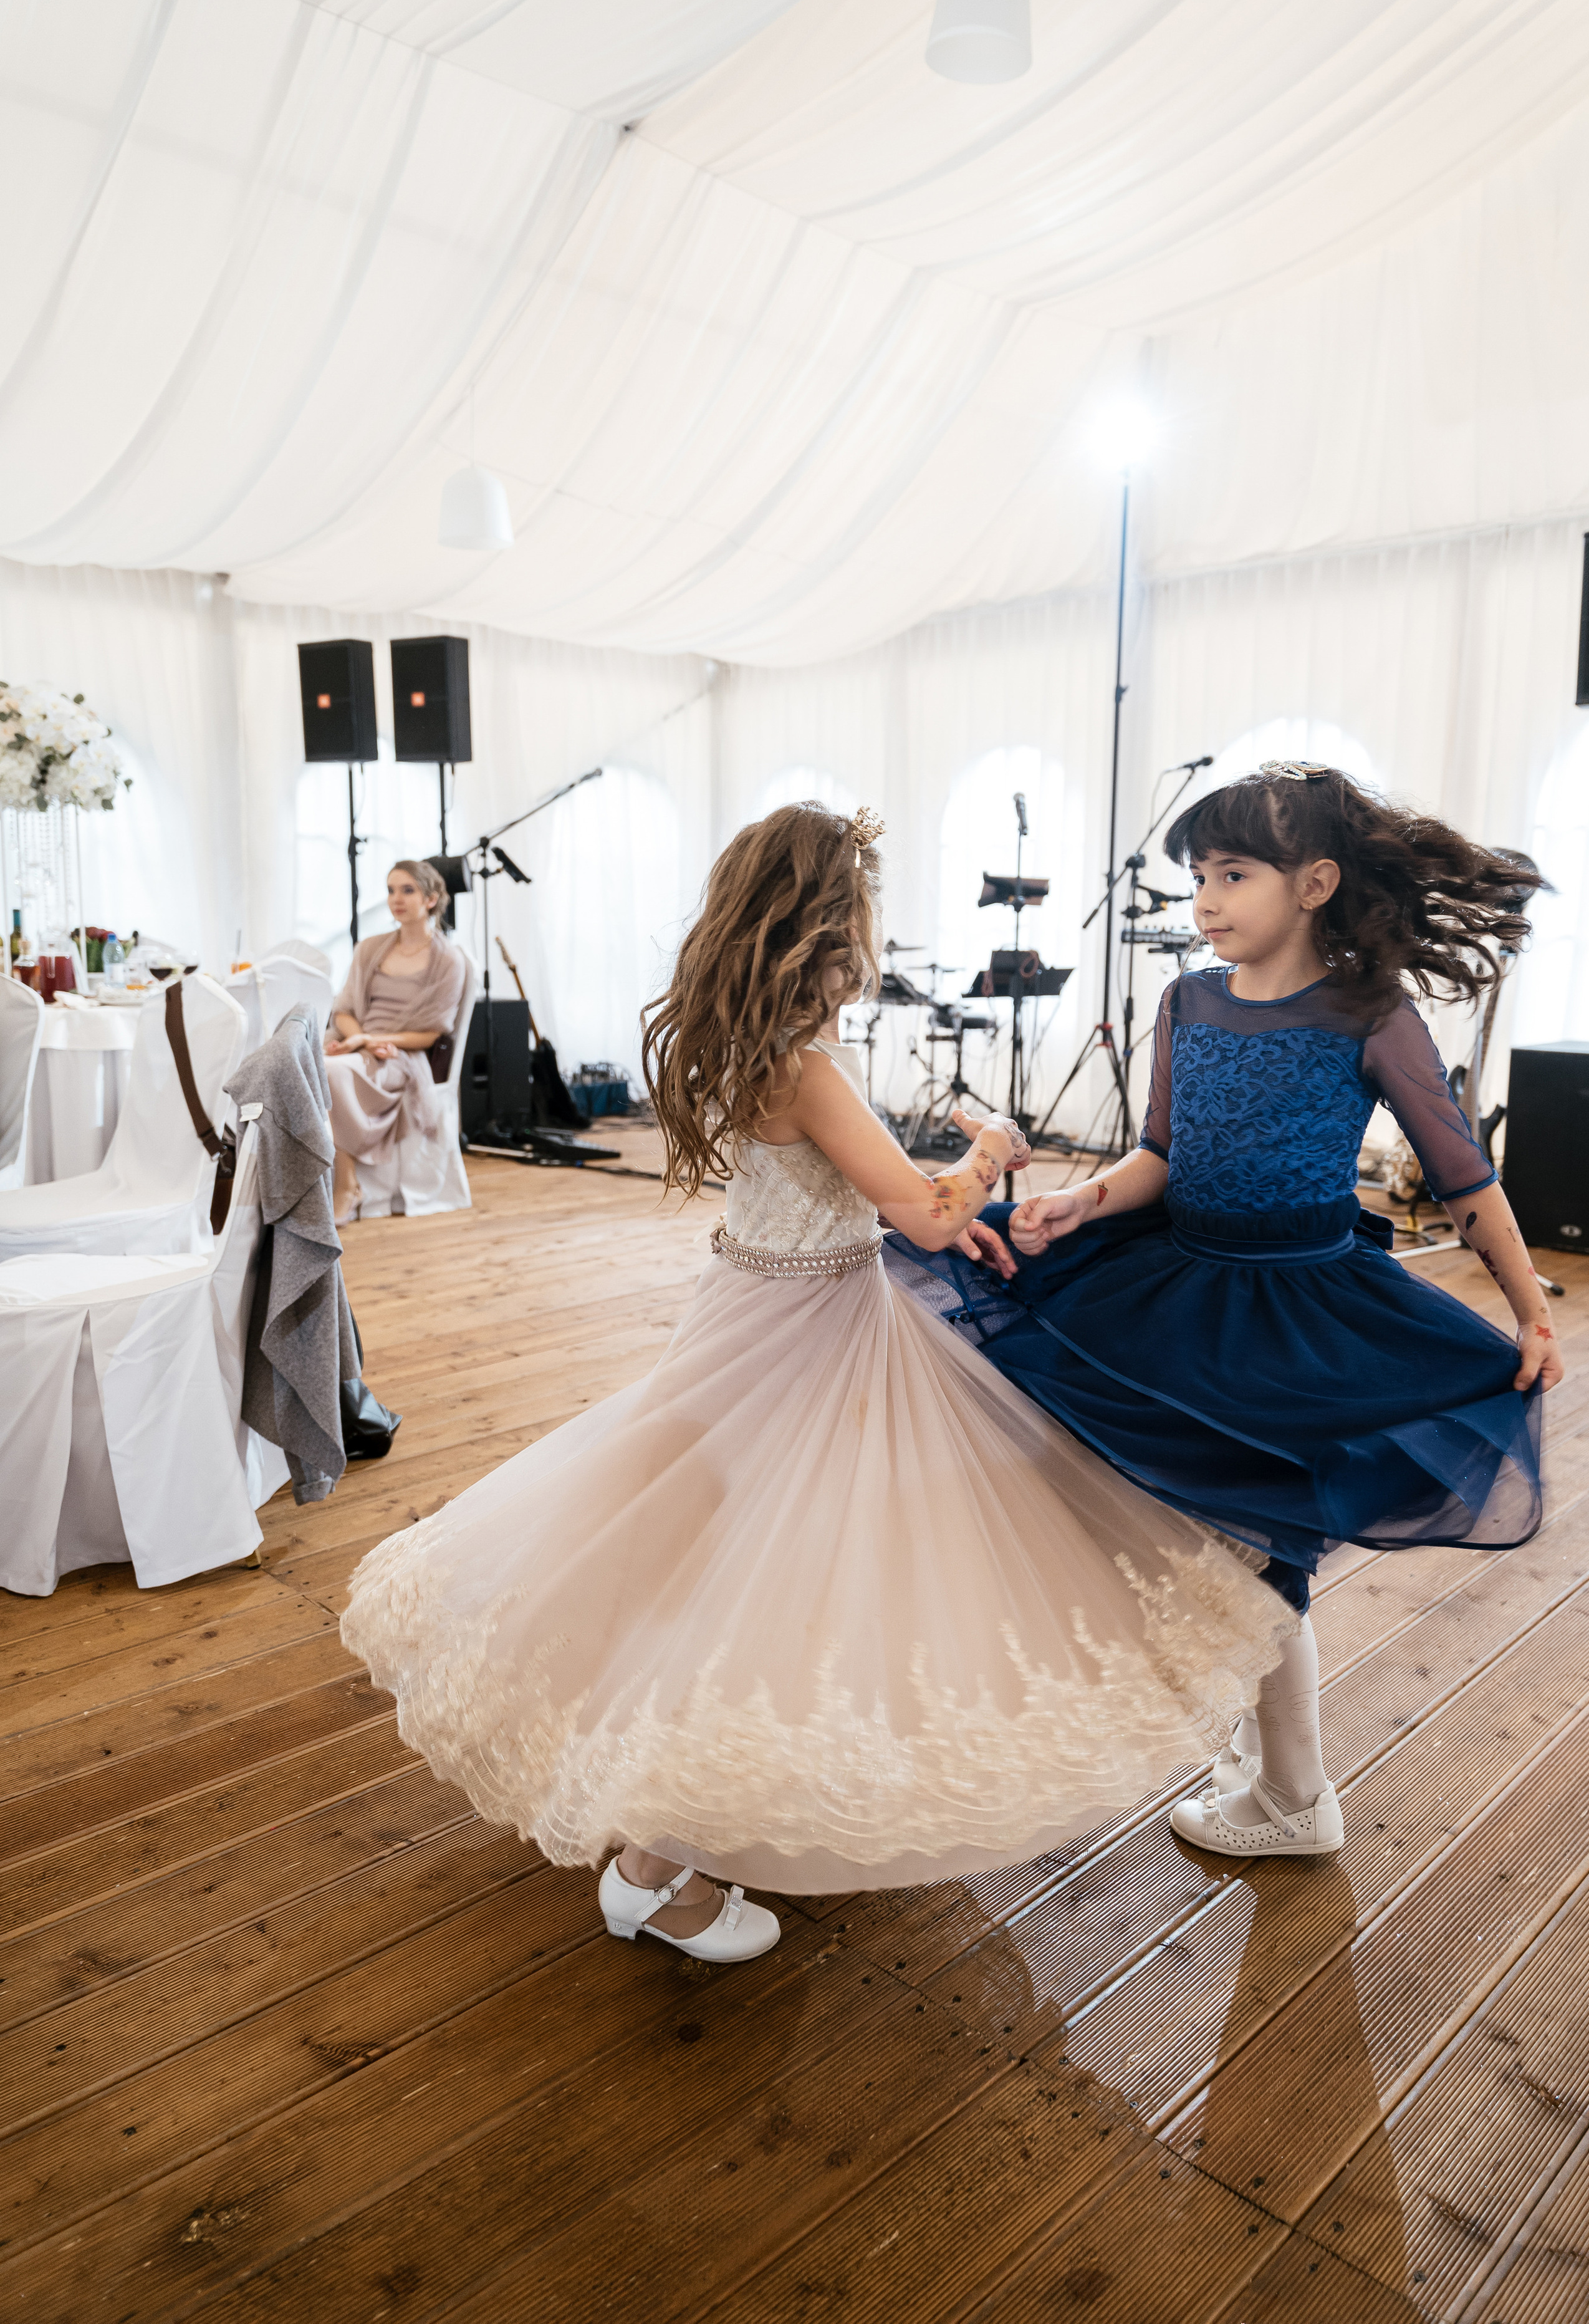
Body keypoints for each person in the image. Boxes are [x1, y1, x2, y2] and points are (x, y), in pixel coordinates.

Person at [340, 803, 1297, 1965]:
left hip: (746, 1312)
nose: (872, 944)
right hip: (819, 1337)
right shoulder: (810, 1067)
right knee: (797, 1571)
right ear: (827, 935)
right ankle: (658, 1870)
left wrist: (935, 1199)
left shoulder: (743, 1047)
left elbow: (867, 1200)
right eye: (864, 922)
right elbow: (929, 1216)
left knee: (702, 1553)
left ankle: (656, 1826)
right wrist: (989, 1153)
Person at [888, 762, 1560, 1863]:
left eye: (1234, 873)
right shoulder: (1186, 1002)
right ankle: (1286, 1776)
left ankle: (1295, 1790)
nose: (1205, 898)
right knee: (1230, 1536)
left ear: (1315, 884)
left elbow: (1464, 1180)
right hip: (1180, 1284)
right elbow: (1161, 1152)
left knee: (1259, 1541)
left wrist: (1532, 1312)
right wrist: (1084, 1199)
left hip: (1301, 1309)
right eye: (1200, 874)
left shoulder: (1368, 1013)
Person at [325, 859, 466, 1225]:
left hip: (403, 1054)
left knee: (332, 1074)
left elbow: (433, 1032)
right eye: (390, 890)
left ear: (432, 899)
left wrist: (374, 1040)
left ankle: (347, 1185)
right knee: (311, 1066)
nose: (396, 899)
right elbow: (342, 1010)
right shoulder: (370, 949)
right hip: (361, 1044)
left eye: (407, 890)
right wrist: (360, 1039)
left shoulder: (448, 960)